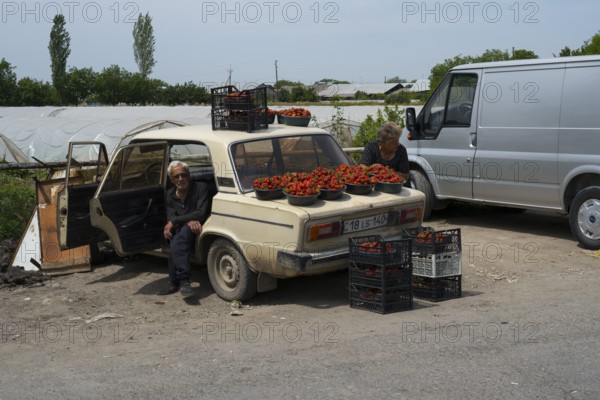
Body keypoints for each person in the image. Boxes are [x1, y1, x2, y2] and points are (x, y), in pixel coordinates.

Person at [157, 160, 210, 298]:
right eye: (176, 176)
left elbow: (200, 213)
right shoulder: (169, 194)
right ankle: (178, 282)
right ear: (171, 179)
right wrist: (178, 222)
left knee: (181, 235)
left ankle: (181, 281)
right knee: (175, 238)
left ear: (188, 175)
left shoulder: (200, 188)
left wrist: (174, 221)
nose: (181, 179)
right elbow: (171, 215)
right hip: (183, 227)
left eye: (183, 175)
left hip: (199, 226)